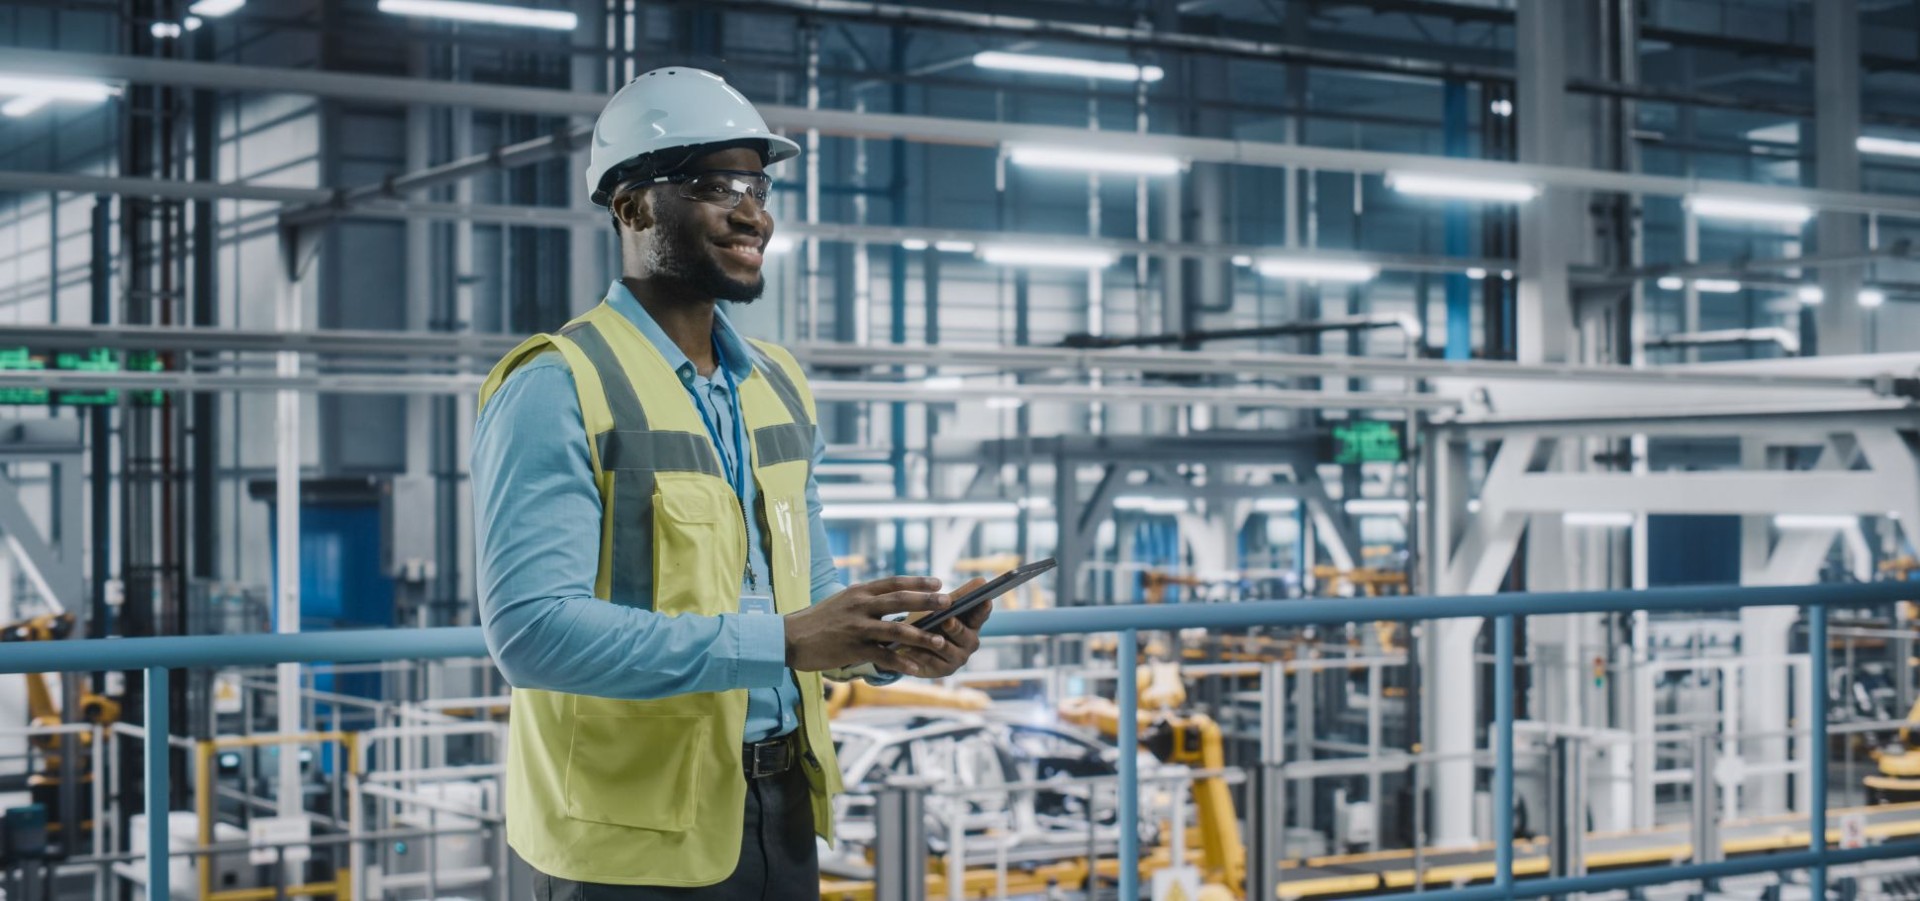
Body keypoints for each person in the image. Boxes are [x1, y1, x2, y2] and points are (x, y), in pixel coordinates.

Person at [471, 67, 993, 900]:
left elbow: (805, 588)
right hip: (625, 844)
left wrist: (891, 645)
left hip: (780, 811)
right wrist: (782, 641)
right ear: (632, 205)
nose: (754, 212)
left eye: (758, 185)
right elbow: (532, 633)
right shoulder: (557, 383)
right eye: (717, 185)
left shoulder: (776, 383)